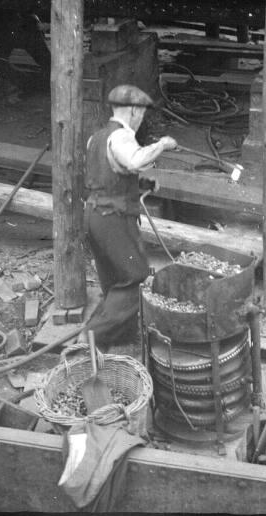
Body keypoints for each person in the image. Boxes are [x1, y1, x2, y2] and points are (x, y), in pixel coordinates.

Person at [83, 84, 177, 348]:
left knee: (113, 279)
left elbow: (107, 177)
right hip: (114, 219)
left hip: (94, 215)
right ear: (134, 111)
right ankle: (93, 337)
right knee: (135, 277)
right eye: (142, 114)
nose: (141, 119)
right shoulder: (122, 137)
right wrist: (162, 145)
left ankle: (119, 336)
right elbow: (134, 160)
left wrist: (141, 185)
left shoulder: (97, 137)